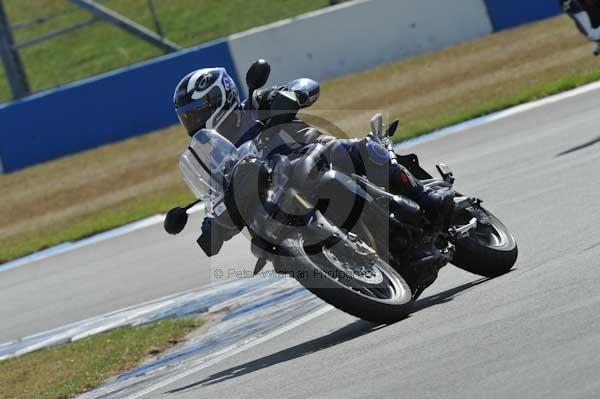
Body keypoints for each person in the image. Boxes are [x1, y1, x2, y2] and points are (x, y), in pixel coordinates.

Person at [172, 66, 454, 252]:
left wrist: (291, 95)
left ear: (219, 98)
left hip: (316, 153)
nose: (192, 122)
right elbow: (220, 193)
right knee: (262, 244)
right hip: (279, 193)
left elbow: (308, 85)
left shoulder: (256, 105)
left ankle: (425, 196)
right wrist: (213, 223)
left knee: (362, 150)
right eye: (187, 117)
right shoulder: (216, 155)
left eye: (196, 113)